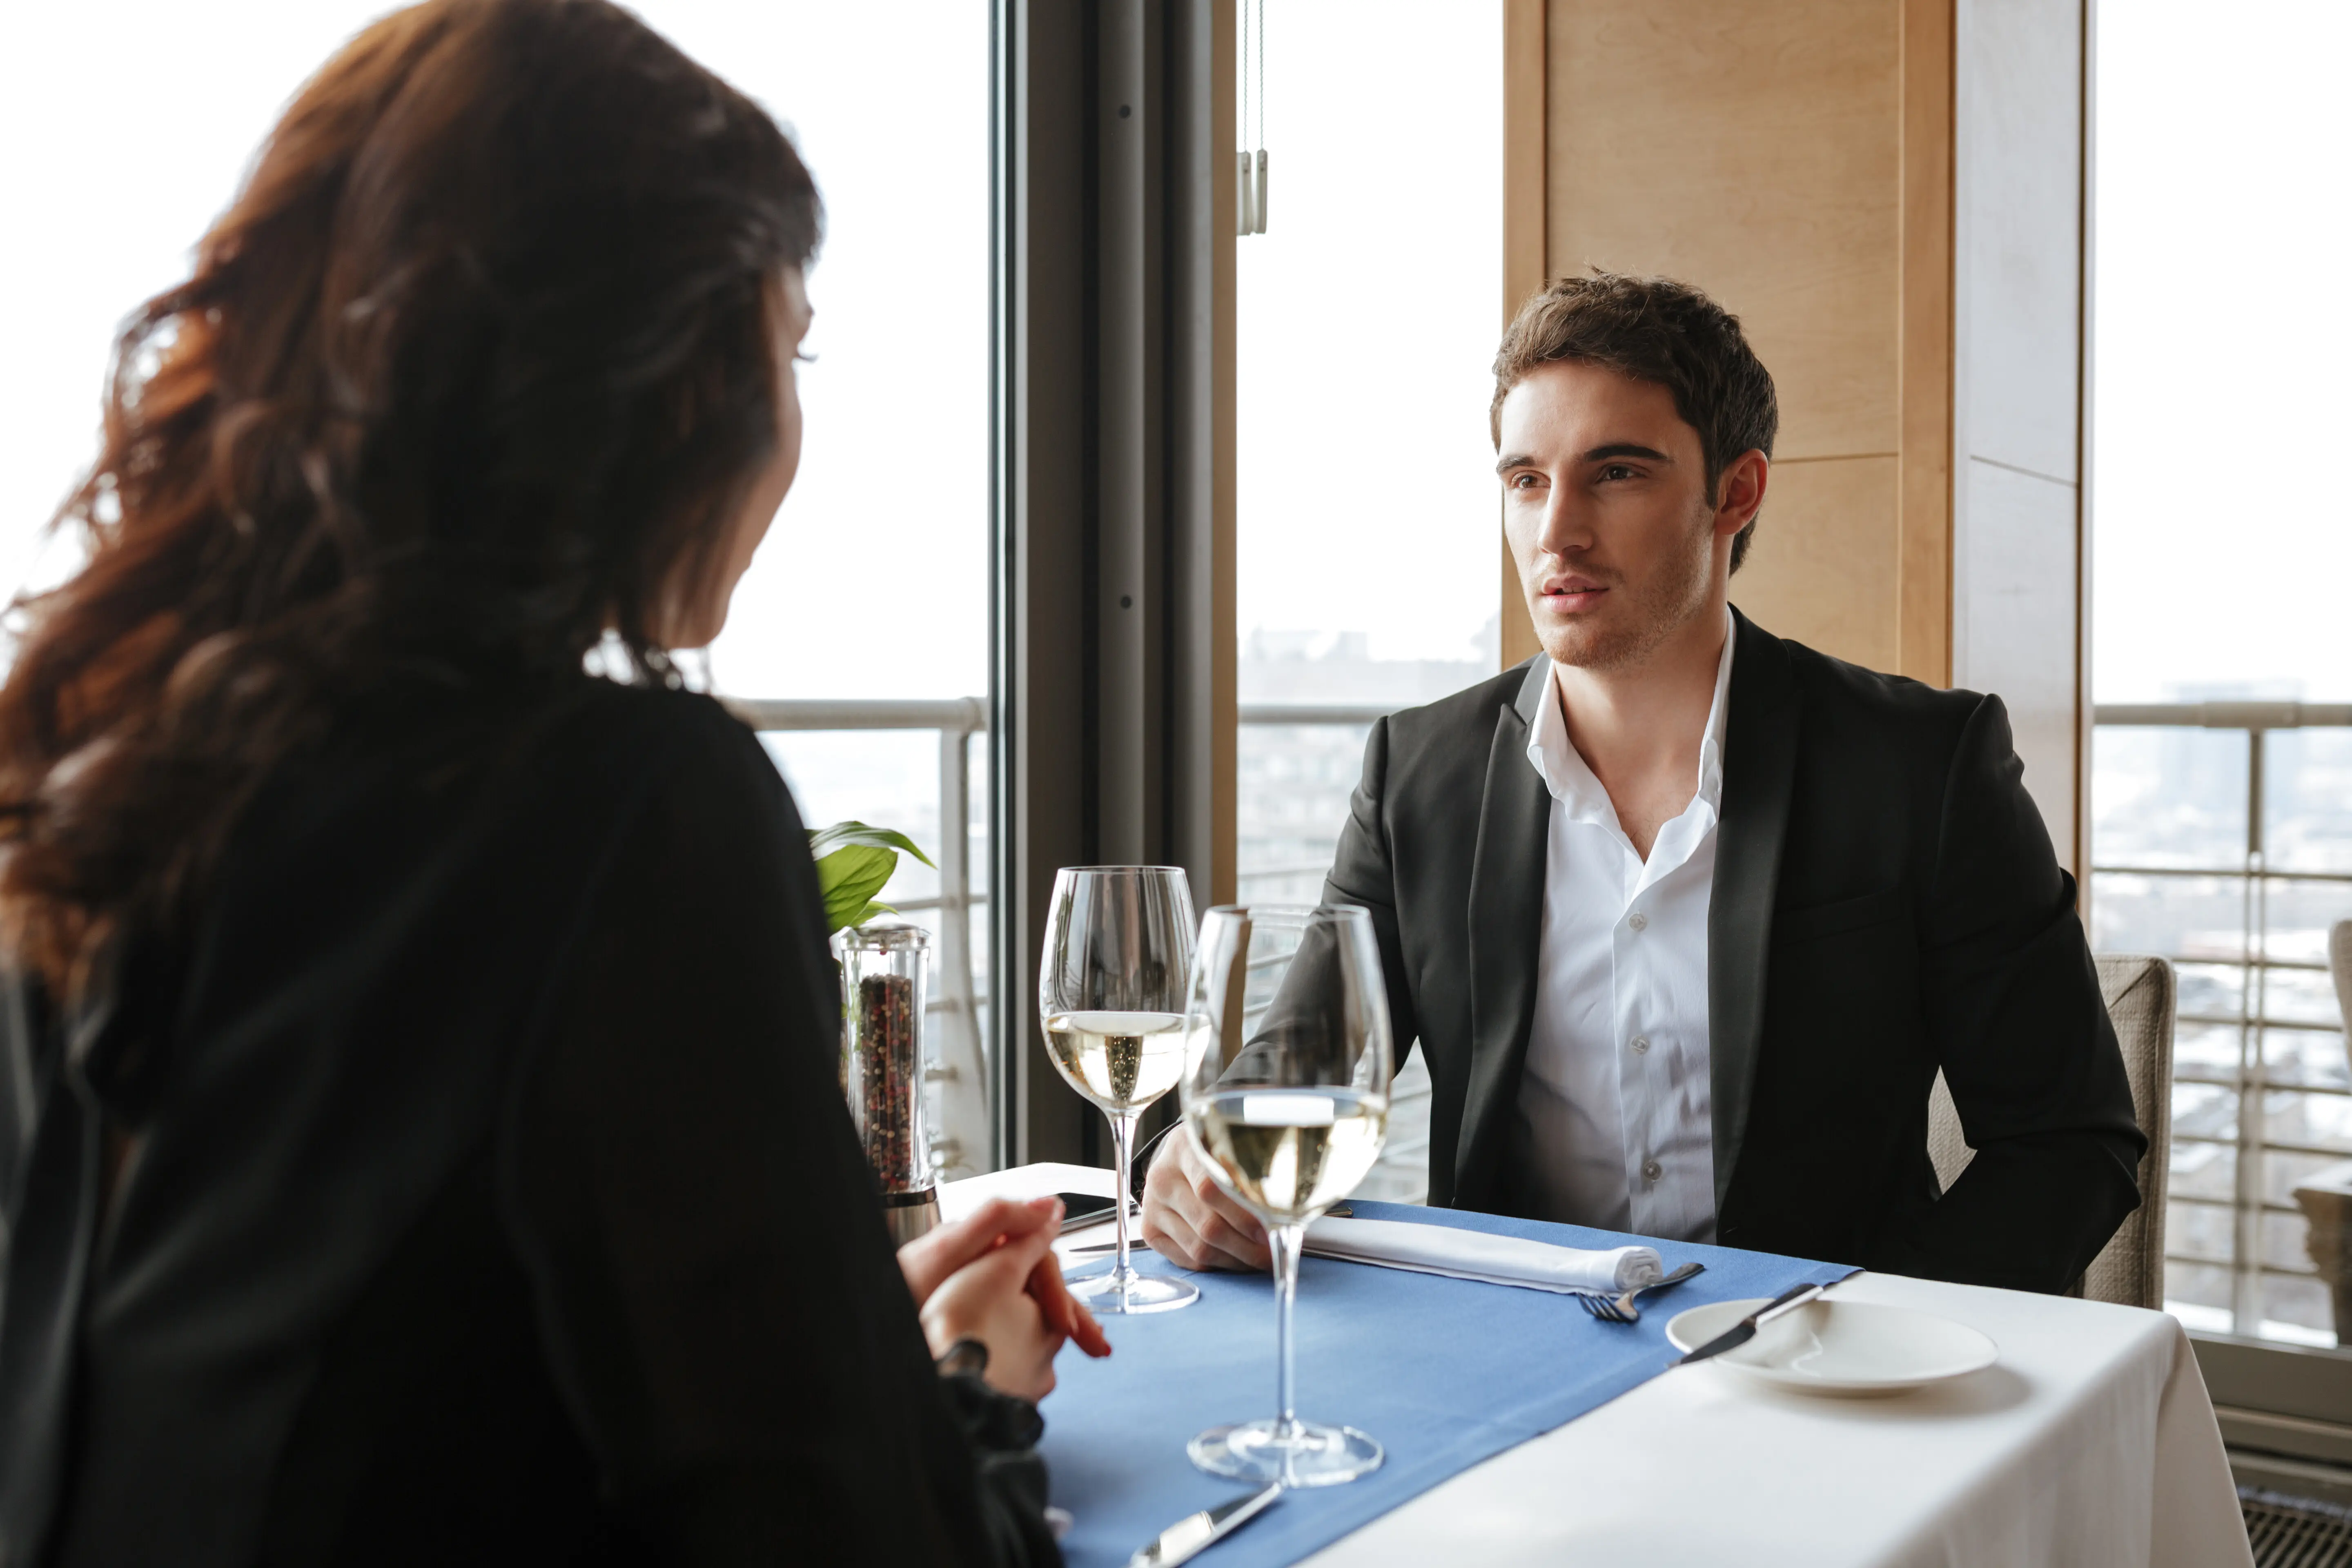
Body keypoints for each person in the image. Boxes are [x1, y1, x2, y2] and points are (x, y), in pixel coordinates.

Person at [0, 3, 1101, 1563]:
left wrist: (860, 1348)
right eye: (788, 352)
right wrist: (966, 1382)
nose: (794, 423)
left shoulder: (92, 792)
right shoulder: (625, 817)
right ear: (672, 387)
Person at [1144, 272, 2146, 1294]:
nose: (1557, 532)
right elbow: (1294, 1077)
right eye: (1527, 481)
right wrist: (1195, 1164)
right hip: (1509, 1361)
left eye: (1615, 473)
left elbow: (2072, 1144)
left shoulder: (1921, 767)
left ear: (1736, 492)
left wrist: (1876, 1330)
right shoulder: (1417, 775)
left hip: (1822, 1378)